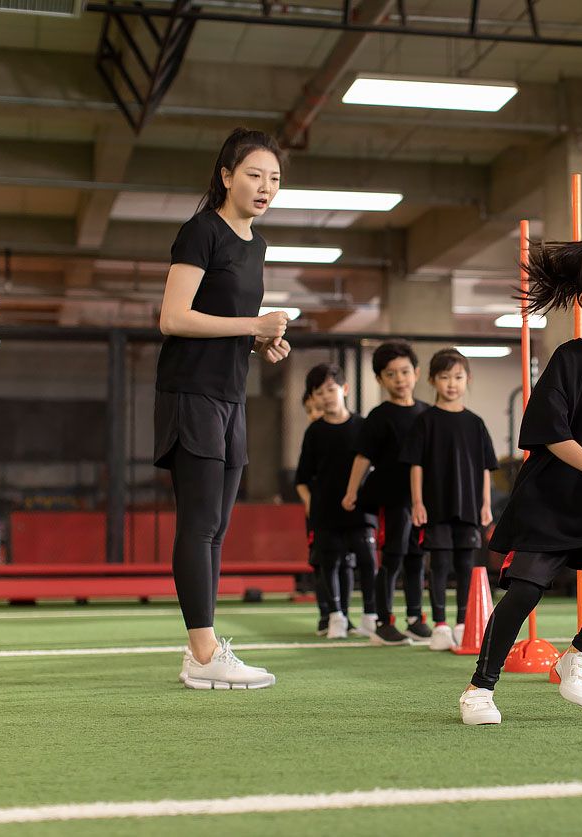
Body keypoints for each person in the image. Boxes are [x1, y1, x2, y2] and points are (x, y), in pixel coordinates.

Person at [458, 239, 582, 725]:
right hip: (552, 499)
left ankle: (580, 653)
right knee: (524, 593)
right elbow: (549, 436)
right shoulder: (569, 361)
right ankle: (479, 690)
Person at [155, 127, 291, 690]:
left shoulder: (254, 243)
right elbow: (173, 317)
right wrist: (251, 325)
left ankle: (203, 653)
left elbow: (227, 323)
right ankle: (204, 652)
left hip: (231, 396)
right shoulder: (201, 232)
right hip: (192, 393)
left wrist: (259, 343)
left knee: (216, 529)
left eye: (275, 180)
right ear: (226, 176)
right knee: (199, 523)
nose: (265, 188)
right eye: (255, 175)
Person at [403, 349, 498, 651]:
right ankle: (440, 625)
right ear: (432, 380)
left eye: (457, 377)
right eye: (444, 377)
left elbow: (485, 468)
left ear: (467, 379)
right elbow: (416, 465)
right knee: (440, 563)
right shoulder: (425, 421)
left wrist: (485, 505)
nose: (451, 384)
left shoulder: (475, 423)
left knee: (465, 564)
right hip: (436, 506)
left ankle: (462, 623)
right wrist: (417, 503)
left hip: (468, 508)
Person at [342, 341, 431, 646]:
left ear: (416, 373)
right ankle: (383, 621)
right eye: (391, 374)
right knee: (393, 556)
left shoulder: (427, 414)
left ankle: (416, 618)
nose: (400, 379)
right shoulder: (379, 416)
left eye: (405, 372)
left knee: (418, 557)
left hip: (420, 500)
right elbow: (362, 457)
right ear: (380, 379)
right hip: (391, 499)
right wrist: (351, 492)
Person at [294, 363, 378, 640]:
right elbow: (302, 479)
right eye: (319, 392)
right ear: (313, 398)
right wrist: (310, 504)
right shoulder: (314, 432)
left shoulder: (363, 426)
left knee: (367, 561)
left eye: (331, 389)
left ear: (344, 389)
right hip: (325, 510)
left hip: (360, 508)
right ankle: (336, 617)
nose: (327, 396)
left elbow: (374, 466)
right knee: (329, 563)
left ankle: (370, 615)